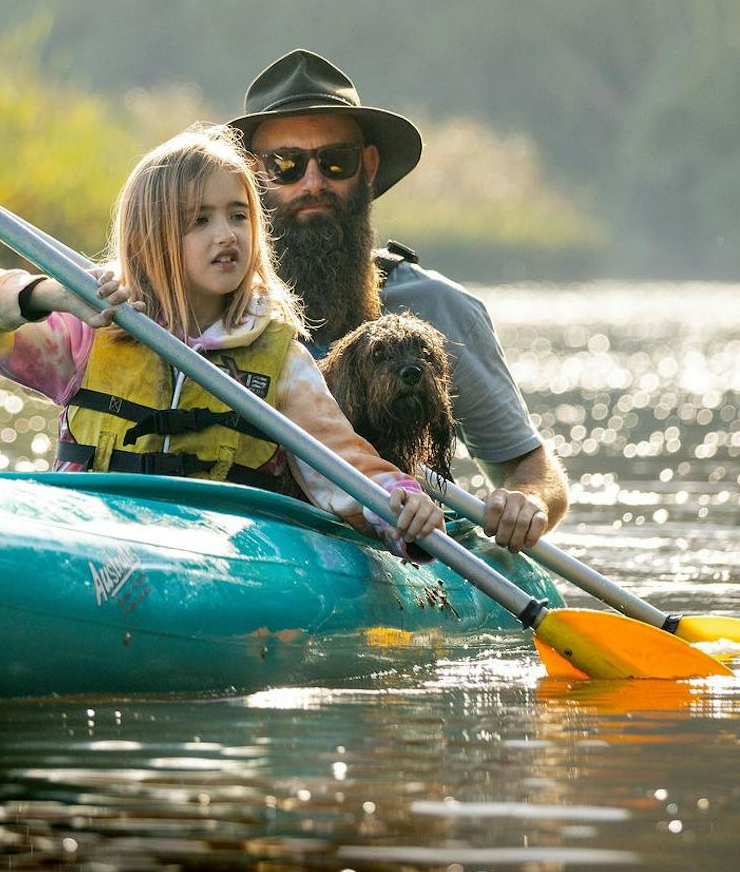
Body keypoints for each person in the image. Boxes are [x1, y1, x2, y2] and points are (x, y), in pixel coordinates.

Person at [0, 124, 445, 555]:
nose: (227, 235)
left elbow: (346, 470)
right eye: (200, 220)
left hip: (218, 560)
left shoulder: (278, 356)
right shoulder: (89, 331)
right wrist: (52, 295)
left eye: (238, 216)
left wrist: (403, 505)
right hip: (88, 540)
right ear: (149, 238)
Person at [230, 49, 570, 551]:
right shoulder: (212, 305)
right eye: (285, 164)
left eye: (335, 161)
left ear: (367, 166)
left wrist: (528, 500)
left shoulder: (439, 308)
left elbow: (528, 465)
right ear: (252, 176)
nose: (313, 182)